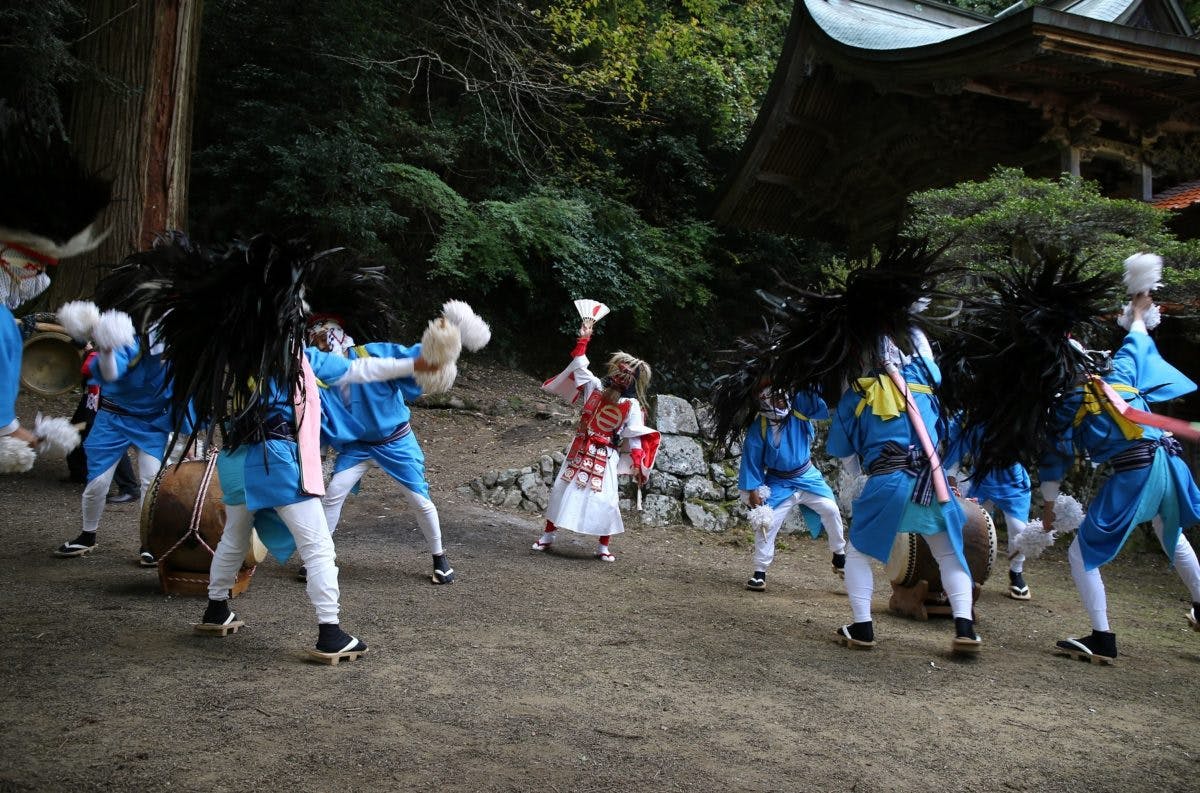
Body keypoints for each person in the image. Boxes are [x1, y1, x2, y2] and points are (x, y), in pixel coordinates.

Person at [1040, 292, 1200, 665]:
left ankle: (1101, 637)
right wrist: (1140, 312)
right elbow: (1136, 341)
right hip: (1169, 462)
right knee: (1170, 533)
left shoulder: (1067, 402)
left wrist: (1048, 507)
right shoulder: (1120, 372)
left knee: (1081, 553)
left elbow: (1055, 457)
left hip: (1137, 471)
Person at [826, 328, 981, 654]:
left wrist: (859, 471)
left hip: (888, 480)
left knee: (857, 553)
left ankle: (862, 627)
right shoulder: (928, 389)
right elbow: (943, 437)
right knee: (949, 554)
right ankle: (965, 627)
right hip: (930, 479)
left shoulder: (858, 392)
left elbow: (843, 449)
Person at [311, 316, 456, 585]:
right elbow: (320, 419)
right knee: (332, 495)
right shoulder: (320, 379)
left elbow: (413, 360)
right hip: (357, 446)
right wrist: (318, 460)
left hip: (395, 441)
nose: (320, 345)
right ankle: (320, 558)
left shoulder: (373, 353)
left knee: (419, 500)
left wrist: (439, 347)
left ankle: (440, 558)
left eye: (323, 338)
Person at [533, 317, 659, 562]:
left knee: (607, 500)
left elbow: (633, 435)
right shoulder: (594, 387)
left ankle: (603, 545)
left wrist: (637, 461)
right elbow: (579, 366)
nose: (621, 379)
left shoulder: (631, 405)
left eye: (627, 377)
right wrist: (584, 338)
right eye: (619, 373)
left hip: (607, 453)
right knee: (562, 488)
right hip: (582, 446)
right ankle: (548, 535)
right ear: (613, 372)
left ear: (633, 382)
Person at [52, 311, 171, 565]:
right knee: (98, 482)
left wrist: (187, 434)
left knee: (152, 484)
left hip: (152, 423)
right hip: (113, 421)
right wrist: (106, 349)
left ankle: (149, 543)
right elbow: (110, 374)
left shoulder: (176, 357)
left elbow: (182, 396)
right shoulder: (128, 345)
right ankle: (87, 535)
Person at [738, 386, 846, 591]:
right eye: (775, 398)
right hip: (778, 482)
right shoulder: (759, 427)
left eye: (782, 396)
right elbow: (751, 461)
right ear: (765, 401)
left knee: (831, 509)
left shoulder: (798, 410)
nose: (781, 401)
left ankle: (839, 554)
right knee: (767, 522)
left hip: (807, 477)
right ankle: (760, 572)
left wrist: (808, 375)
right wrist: (753, 490)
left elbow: (813, 395)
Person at [944, 418, 1034, 600]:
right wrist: (952, 485)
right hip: (982, 480)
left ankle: (1016, 572)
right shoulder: (971, 418)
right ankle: (966, 571)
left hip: (1013, 482)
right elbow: (954, 456)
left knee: (1019, 529)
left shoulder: (1018, 415)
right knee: (970, 526)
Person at [64, 346, 140, 504]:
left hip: (112, 394)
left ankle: (129, 488)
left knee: (110, 440)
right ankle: (79, 472)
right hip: (94, 392)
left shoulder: (130, 338)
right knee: (77, 428)